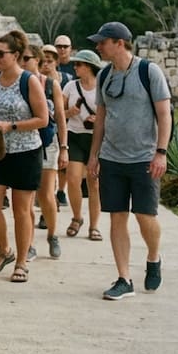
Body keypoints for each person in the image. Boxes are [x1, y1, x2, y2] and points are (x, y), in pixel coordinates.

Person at [87, 22, 170, 300]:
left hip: (144, 158)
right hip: (112, 158)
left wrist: (161, 152)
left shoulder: (148, 72)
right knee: (117, 217)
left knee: (146, 216)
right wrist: (93, 155)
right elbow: (100, 117)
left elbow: (164, 114)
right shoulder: (104, 76)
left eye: (103, 42)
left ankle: (154, 256)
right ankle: (124, 278)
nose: (98, 46)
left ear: (119, 43)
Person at [0, 30, 49, 283]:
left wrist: (12, 126)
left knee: (22, 210)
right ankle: (4, 250)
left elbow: (43, 119)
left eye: (1, 53)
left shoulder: (29, 81)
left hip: (26, 151)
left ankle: (21, 261)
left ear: (17, 55)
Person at [28, 43, 68, 258]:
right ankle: (29, 242)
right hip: (24, 143)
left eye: (27, 58)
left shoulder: (51, 85)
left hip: (47, 142)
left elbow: (61, 118)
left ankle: (52, 235)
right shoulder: (17, 83)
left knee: (45, 194)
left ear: (37, 61)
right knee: (26, 197)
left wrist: (64, 147)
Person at [62, 49, 103, 242]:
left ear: (89, 67)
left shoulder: (102, 87)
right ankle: (77, 217)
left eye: (79, 64)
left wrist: (99, 119)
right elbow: (58, 114)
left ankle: (94, 225)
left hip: (96, 139)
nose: (75, 67)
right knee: (73, 178)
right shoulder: (70, 86)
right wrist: (70, 112)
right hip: (75, 135)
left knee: (94, 183)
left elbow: (112, 114)